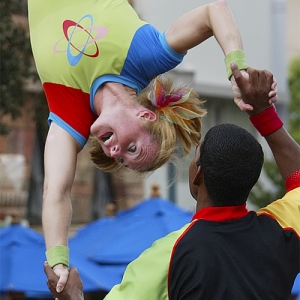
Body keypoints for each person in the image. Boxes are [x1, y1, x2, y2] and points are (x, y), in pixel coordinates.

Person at [28, 0, 278, 292]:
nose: (114, 152)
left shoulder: (69, 116)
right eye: (131, 148)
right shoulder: (143, 58)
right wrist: (237, 68)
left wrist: (58, 260)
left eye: (121, 159)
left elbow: (55, 191)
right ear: (145, 115)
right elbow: (214, 11)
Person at [43, 64, 299, 299]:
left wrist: (72, 296)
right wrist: (265, 114)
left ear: (198, 175)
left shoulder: (169, 257)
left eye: (195, 154)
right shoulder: (281, 232)